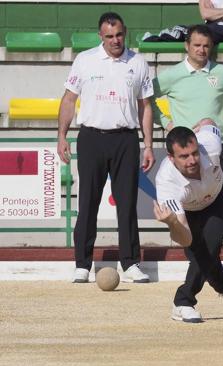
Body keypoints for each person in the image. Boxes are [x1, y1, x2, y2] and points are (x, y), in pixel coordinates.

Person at [151, 24, 223, 283]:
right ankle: (203, 260)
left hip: (214, 150)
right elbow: (147, 96)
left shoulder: (220, 72)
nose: (201, 50)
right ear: (186, 46)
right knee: (189, 211)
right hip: (184, 154)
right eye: (196, 45)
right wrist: (166, 123)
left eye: (206, 46)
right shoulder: (172, 75)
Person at [57, 12, 154, 284]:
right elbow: (68, 100)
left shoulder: (138, 63)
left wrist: (148, 144)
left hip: (125, 139)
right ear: (100, 36)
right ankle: (82, 264)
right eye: (109, 36)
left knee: (127, 204)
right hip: (91, 138)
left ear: (126, 33)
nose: (115, 40)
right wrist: (61, 136)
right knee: (87, 202)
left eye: (119, 35)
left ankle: (131, 262)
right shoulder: (85, 60)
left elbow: (146, 106)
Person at [154, 125, 223, 323]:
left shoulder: (210, 144)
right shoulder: (166, 183)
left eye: (194, 153)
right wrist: (171, 222)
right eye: (184, 156)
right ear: (171, 158)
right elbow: (184, 238)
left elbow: (212, 127)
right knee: (199, 253)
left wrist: (205, 121)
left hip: (219, 197)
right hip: (189, 211)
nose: (192, 160)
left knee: (211, 244)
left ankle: (183, 302)